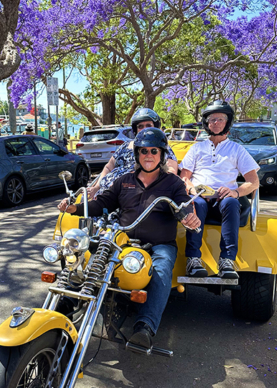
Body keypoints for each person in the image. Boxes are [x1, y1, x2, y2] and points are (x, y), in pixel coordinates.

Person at [58, 128, 201, 349]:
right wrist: (74, 207)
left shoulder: (172, 184)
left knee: (162, 270)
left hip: (159, 244)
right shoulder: (125, 180)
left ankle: (145, 326)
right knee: (89, 256)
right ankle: (70, 300)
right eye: (144, 151)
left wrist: (190, 218)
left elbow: (184, 206)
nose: (149, 155)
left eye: (154, 151)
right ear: (137, 155)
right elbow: (102, 203)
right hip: (124, 238)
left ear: (162, 155)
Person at [179, 100, 260, 279]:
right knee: (196, 204)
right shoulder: (197, 148)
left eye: (220, 119)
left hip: (224, 200)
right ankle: (193, 260)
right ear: (206, 124)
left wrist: (235, 192)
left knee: (232, 203)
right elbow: (184, 177)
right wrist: (192, 188)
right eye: (212, 119)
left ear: (228, 122)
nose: (215, 123)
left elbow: (253, 182)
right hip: (200, 197)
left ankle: (227, 262)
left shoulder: (237, 149)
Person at [87, 108, 179, 199]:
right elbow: (108, 167)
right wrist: (96, 187)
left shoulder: (162, 147)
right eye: (140, 126)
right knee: (83, 201)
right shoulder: (125, 146)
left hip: (132, 196)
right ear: (135, 130)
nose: (144, 129)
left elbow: (171, 171)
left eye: (148, 125)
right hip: (106, 193)